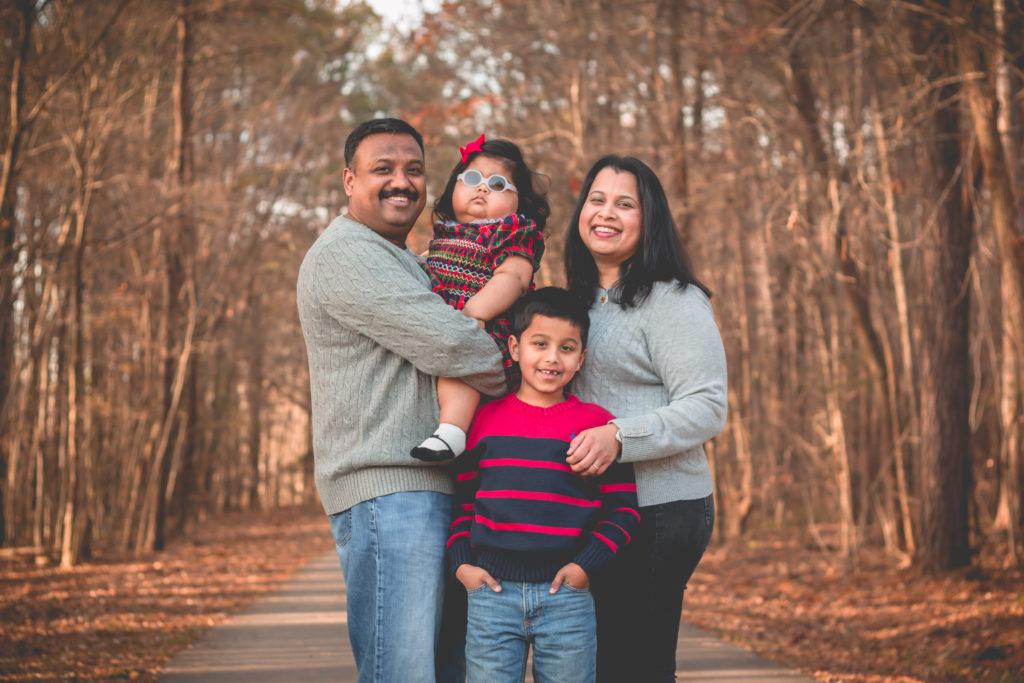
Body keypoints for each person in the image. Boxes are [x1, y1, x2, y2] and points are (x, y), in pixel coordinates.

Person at [296, 117, 506, 683]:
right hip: (389, 492)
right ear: (348, 180)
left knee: (445, 670)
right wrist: (532, 372)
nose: (402, 182)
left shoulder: (408, 259)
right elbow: (453, 343)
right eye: (382, 169)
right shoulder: (346, 254)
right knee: (404, 671)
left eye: (414, 170)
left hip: (433, 490)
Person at [562, 155, 728, 682]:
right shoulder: (581, 301)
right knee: (601, 664)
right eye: (597, 199)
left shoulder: (673, 300)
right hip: (605, 511)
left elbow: (707, 406)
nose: (605, 213)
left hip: (661, 510)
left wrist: (619, 437)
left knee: (637, 666)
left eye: (625, 204)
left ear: (649, 218)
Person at [447, 287, 640, 683]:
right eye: (540, 344)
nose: (552, 358)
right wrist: (462, 564)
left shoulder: (597, 425)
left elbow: (623, 509)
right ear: (515, 348)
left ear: (581, 358)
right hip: (491, 595)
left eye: (566, 348)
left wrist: (585, 567)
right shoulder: (483, 419)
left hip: (566, 595)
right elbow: (462, 504)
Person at [411, 134, 549, 463]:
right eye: (472, 178)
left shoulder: (512, 232)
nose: (483, 188)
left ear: (520, 202)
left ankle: (452, 432)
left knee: (459, 370)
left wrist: (474, 312)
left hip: (489, 328)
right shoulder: (446, 233)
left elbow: (513, 279)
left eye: (499, 184)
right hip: (445, 324)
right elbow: (421, 265)